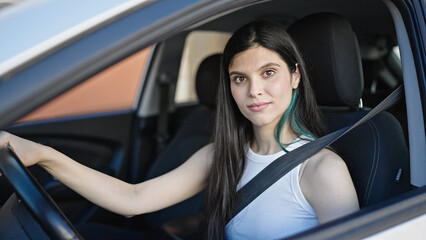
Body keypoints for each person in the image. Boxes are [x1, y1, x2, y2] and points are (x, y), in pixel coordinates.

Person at [0, 20, 359, 240]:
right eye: (240, 78)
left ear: (295, 75)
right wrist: (44, 155)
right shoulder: (221, 154)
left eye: (269, 73)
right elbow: (133, 199)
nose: (254, 91)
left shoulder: (322, 171)